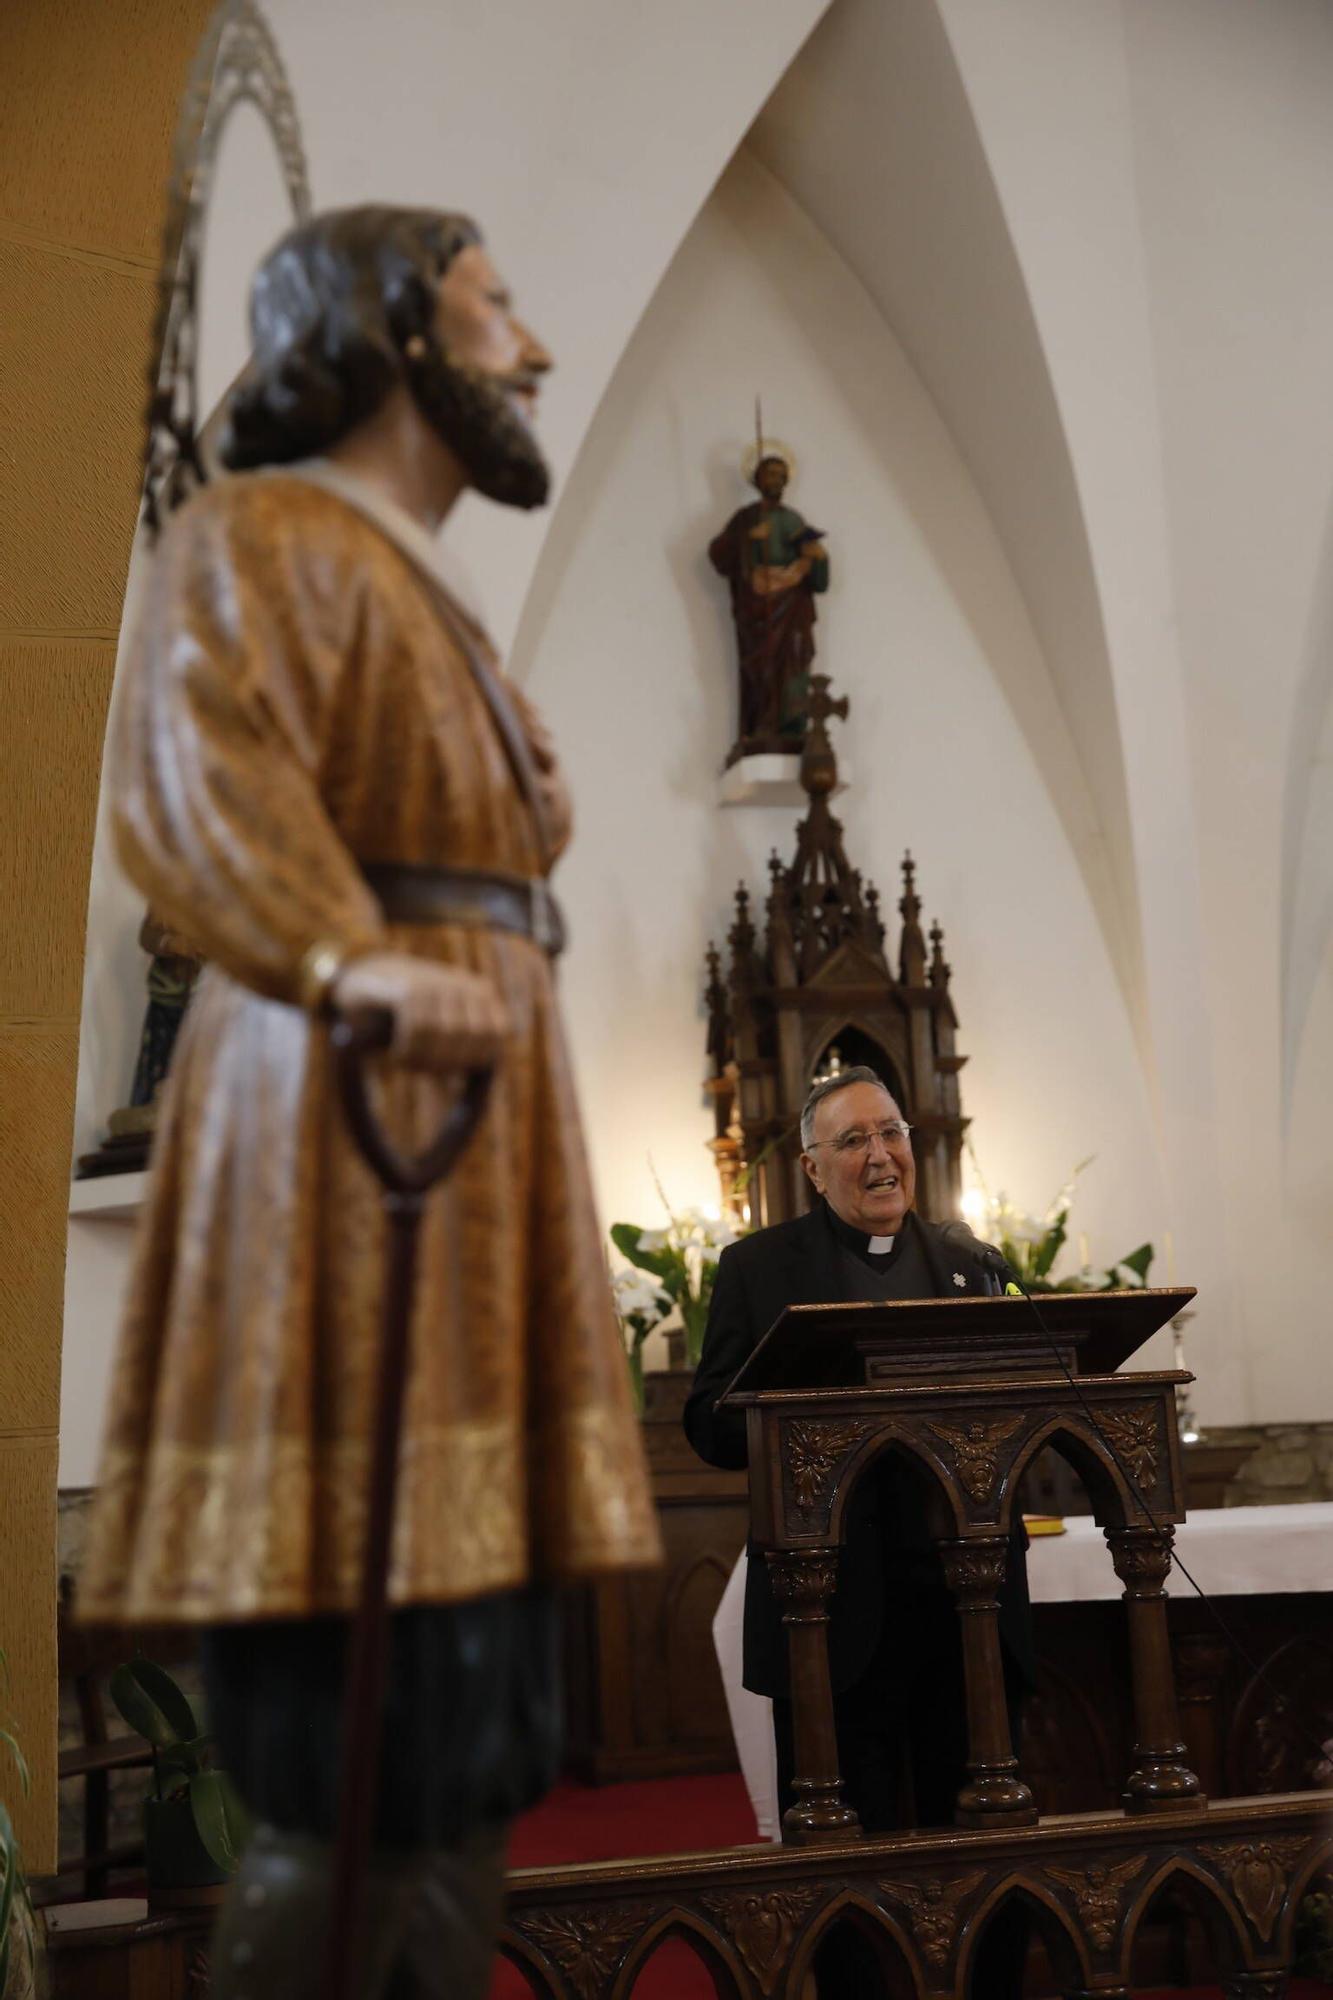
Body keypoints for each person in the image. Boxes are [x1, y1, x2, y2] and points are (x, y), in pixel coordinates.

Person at [78, 206, 659, 2000]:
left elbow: (404, 818)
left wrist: (523, 818)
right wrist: (346, 964)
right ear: (394, 330)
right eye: (497, 309)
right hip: (358, 1150)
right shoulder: (261, 535)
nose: (534, 350)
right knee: (361, 1760)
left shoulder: (411, 582)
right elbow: (193, 773)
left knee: (467, 1740)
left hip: (460, 1160)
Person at [684, 1065, 1030, 1996]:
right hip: (828, 1609)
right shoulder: (760, 1271)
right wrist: (788, 1399)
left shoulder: (971, 1266)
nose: (880, 1156)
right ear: (811, 1165)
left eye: (891, 1134)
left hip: (967, 1605)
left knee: (984, 1832)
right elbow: (708, 1421)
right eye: (852, 1141)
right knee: (848, 1845)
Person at [708, 452, 829, 759]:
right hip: (758, 611)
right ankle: (762, 726)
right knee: (761, 669)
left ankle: (793, 726)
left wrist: (818, 558)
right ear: (758, 480)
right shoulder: (746, 518)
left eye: (779, 474)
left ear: (786, 481)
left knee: (794, 664)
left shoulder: (794, 521)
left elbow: (818, 582)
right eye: (768, 474)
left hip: (792, 609)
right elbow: (718, 557)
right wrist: (747, 539)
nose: (774, 480)